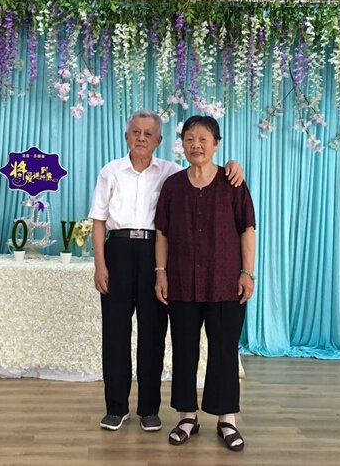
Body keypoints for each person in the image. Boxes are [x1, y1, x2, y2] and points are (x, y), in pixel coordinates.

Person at [89, 110, 244, 432]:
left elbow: (206, 169)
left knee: (153, 333)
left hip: (155, 253)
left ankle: (149, 409)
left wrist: (233, 164)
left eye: (148, 133)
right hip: (118, 251)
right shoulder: (110, 171)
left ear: (159, 140)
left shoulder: (171, 173)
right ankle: (116, 407)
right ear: (126, 136)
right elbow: (99, 220)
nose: (141, 138)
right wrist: (100, 264)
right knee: (115, 333)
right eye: (135, 132)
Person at [154, 115, 256, 451]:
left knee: (224, 350)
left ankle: (227, 419)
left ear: (216, 144)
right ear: (181, 144)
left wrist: (247, 273)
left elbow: (247, 229)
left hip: (225, 282)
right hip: (182, 282)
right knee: (184, 350)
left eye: (202, 139)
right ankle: (187, 416)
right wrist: (161, 272)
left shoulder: (233, 182)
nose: (195, 145)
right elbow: (162, 232)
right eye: (189, 139)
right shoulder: (173, 185)